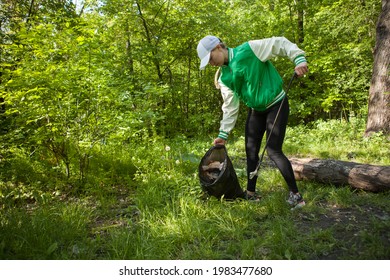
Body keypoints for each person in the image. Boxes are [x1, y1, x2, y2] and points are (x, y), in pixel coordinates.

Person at [197, 35, 308, 208]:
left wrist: (298, 58)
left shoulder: (250, 49)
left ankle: (296, 196)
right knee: (250, 151)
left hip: (276, 103)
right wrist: (223, 134)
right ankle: (250, 193)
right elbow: (230, 106)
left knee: (273, 151)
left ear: (218, 47)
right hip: (256, 110)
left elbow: (279, 43)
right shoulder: (224, 78)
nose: (211, 64)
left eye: (210, 59)